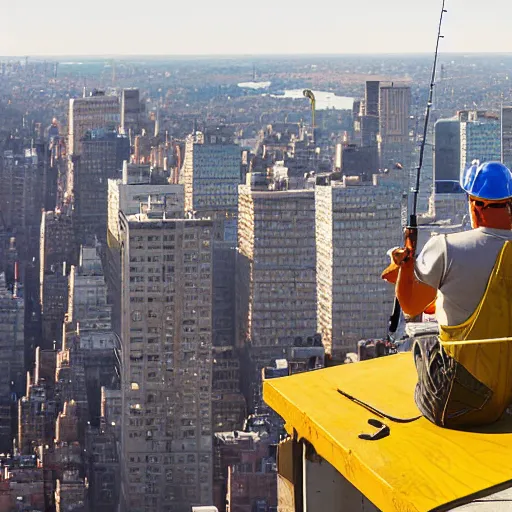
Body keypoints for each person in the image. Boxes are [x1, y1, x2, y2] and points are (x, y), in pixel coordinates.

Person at [383, 161, 512, 428]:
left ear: (476, 205)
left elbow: (410, 305)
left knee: (423, 339)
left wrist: (405, 266)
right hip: (506, 396)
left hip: (454, 401)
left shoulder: (448, 247)